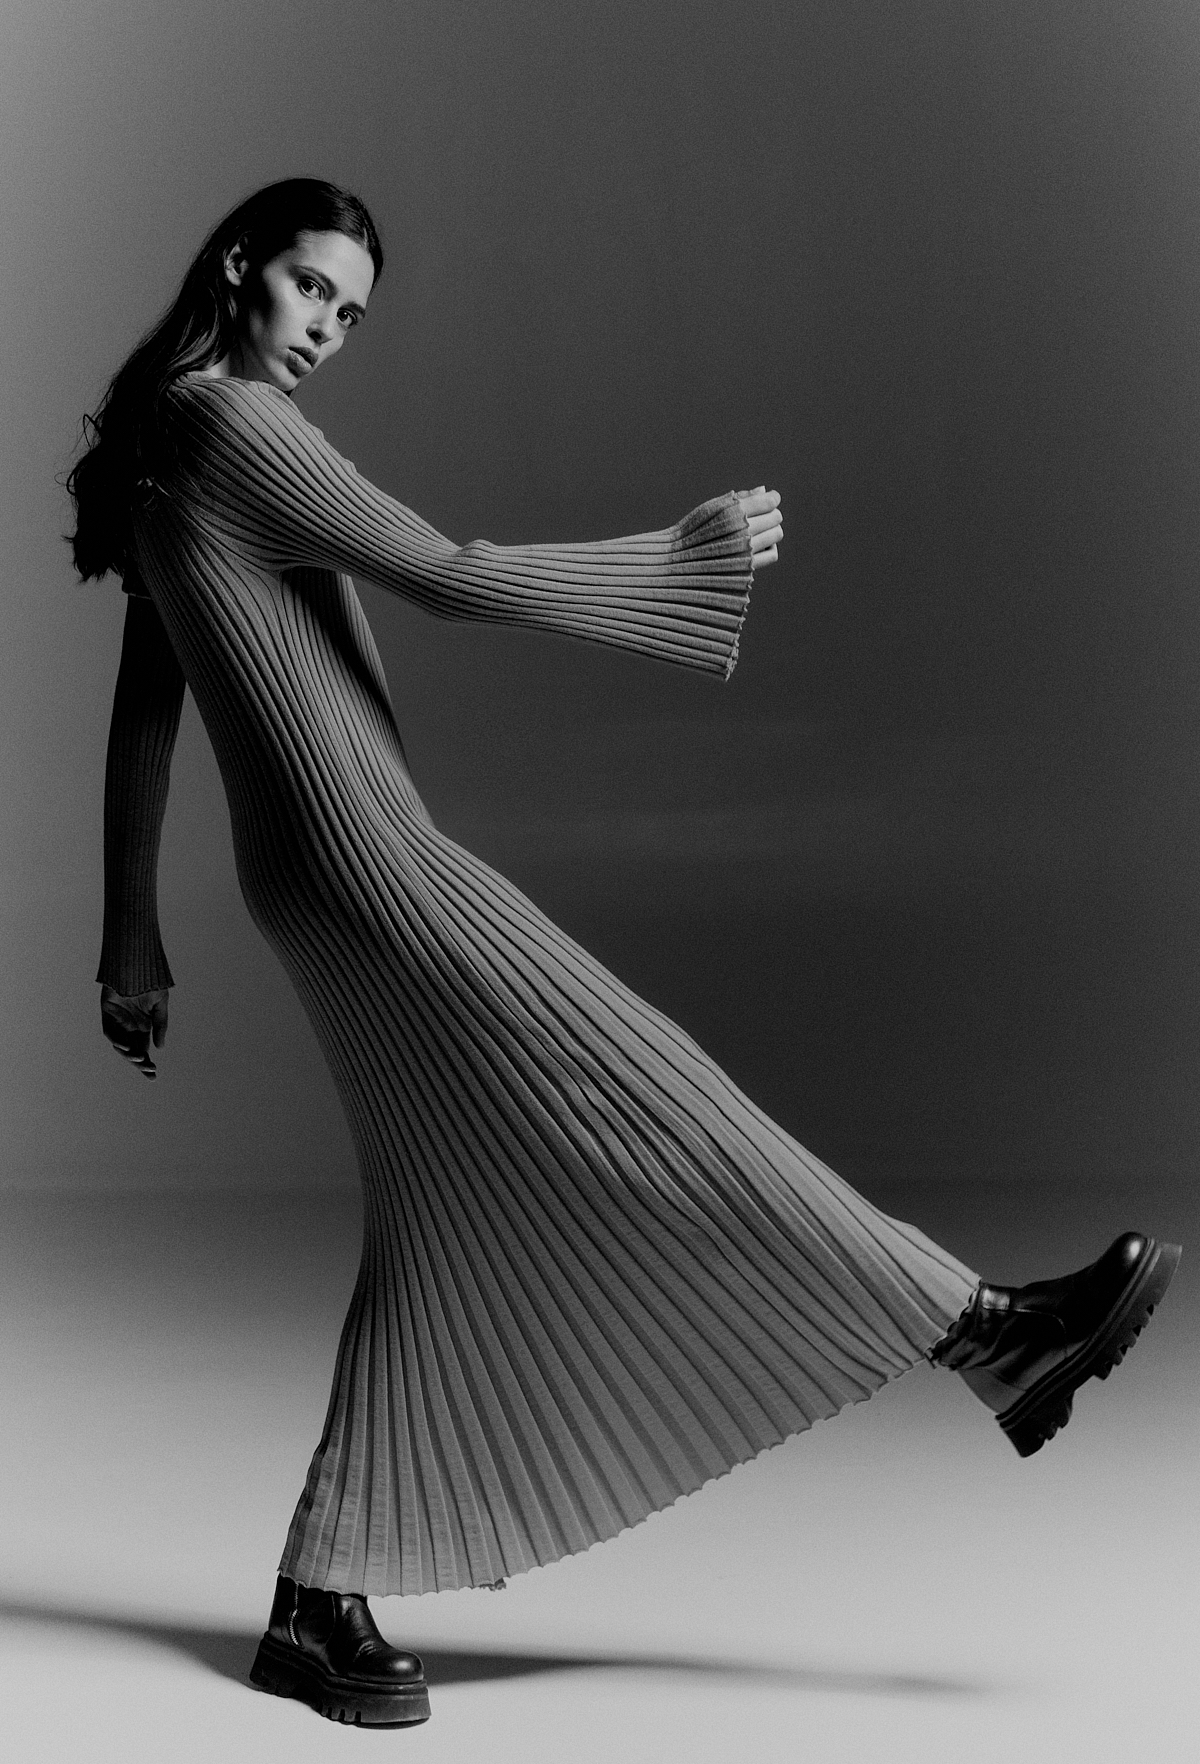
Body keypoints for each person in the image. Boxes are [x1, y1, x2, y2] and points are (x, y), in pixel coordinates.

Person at [69, 178, 1180, 1731]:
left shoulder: (162, 444)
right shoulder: (234, 426)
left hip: (314, 873)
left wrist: (130, 940)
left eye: (352, 314)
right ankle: (988, 1330)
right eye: (312, 288)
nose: (326, 330)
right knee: (661, 1097)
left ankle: (317, 1596)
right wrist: (680, 561)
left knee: (432, 1218)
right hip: (368, 865)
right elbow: (447, 573)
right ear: (240, 263)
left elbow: (149, 700)